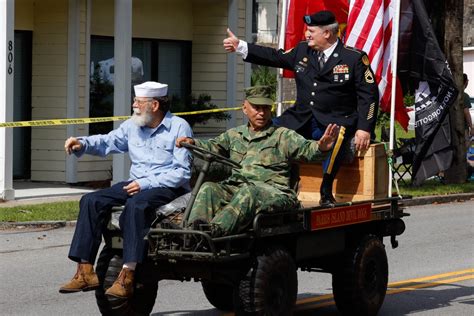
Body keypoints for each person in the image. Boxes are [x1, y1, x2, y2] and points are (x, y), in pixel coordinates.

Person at [223, 10, 379, 206]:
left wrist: (364, 128)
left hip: (336, 119)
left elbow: (369, 96)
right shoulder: (302, 50)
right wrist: (241, 46)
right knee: (269, 129)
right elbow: (274, 56)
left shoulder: (353, 58)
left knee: (337, 138)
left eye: (311, 31)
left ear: (327, 34)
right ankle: (262, 179)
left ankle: (326, 189)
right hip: (302, 117)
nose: (307, 34)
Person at [59, 81, 193, 298]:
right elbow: (107, 142)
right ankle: (85, 271)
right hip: (136, 184)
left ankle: (128, 274)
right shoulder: (132, 125)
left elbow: (181, 173)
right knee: (90, 201)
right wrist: (81, 144)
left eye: (138, 102)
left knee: (136, 205)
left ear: (155, 105)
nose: (134, 105)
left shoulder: (179, 127)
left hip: (166, 187)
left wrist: (145, 184)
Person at [176, 85, 339, 237]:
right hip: (238, 187)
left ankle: (213, 232)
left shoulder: (282, 135)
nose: (262, 113)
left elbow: (307, 150)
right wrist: (193, 143)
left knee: (248, 193)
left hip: (275, 192)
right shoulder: (234, 135)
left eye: (266, 108)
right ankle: (192, 232)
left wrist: (321, 147)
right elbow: (212, 146)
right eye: (257, 108)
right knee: (209, 188)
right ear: (244, 108)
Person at [463, 74, 473, 141]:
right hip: (463, 128)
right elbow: (466, 113)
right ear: (466, 82)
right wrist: (471, 128)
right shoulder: (465, 96)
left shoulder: (452, 93)